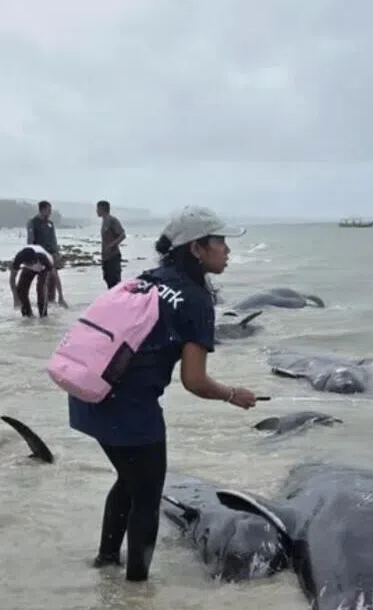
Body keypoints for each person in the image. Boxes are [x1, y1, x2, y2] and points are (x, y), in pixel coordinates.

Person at [68, 205, 270, 582]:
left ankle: (106, 562)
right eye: (220, 241)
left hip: (87, 393)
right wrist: (232, 394)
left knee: (129, 479)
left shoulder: (150, 277)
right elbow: (194, 381)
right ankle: (135, 589)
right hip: (128, 409)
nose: (227, 249)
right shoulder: (196, 300)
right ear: (196, 248)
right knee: (146, 495)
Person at [8, 244, 67, 317]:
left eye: (33, 263)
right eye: (29, 264)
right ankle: (28, 315)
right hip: (28, 269)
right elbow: (12, 280)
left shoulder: (43, 258)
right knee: (21, 290)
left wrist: (61, 297)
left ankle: (43, 317)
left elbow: (55, 276)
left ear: (35, 260)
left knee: (41, 288)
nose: (32, 265)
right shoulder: (19, 258)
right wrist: (16, 298)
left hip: (43, 268)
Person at [26, 200, 61, 303]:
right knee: (41, 281)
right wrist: (31, 255)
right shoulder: (33, 222)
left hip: (51, 255)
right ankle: (42, 302)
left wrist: (56, 254)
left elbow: (54, 240)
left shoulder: (50, 223)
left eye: (50, 210)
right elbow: (30, 240)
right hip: (39, 256)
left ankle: (51, 302)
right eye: (48, 210)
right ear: (42, 210)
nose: (50, 213)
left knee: (52, 280)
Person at [97, 200, 126, 289]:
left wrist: (112, 245)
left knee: (115, 282)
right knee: (107, 280)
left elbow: (122, 235)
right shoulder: (104, 221)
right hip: (106, 257)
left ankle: (118, 302)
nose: (96, 211)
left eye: (98, 209)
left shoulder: (112, 220)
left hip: (113, 257)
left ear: (102, 209)